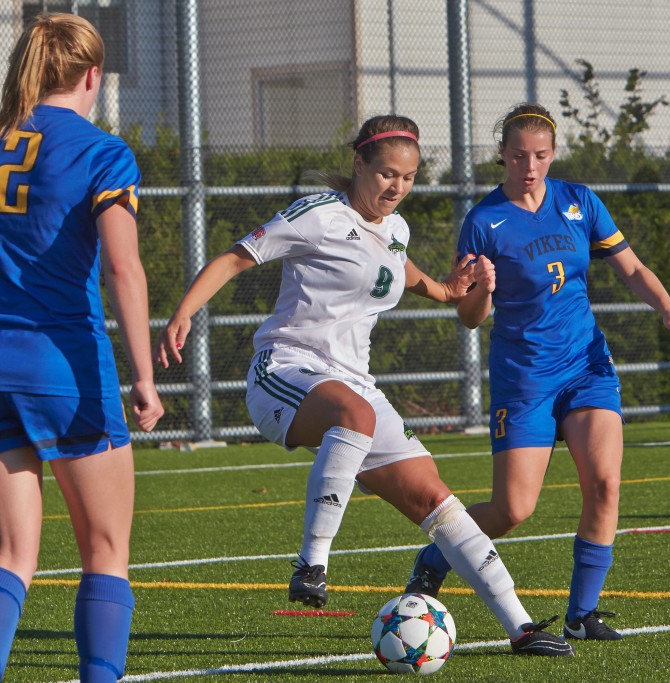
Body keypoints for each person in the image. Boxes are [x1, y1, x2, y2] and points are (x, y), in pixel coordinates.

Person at [154, 114, 574, 656]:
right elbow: (237, 258)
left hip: (355, 387)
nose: (396, 187)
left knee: (437, 499)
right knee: (355, 415)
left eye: (408, 177)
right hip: (285, 370)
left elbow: (422, 283)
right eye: (385, 174)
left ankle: (520, 627)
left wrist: (463, 287)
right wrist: (183, 312)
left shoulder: (395, 231)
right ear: (359, 165)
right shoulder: (319, 214)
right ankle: (312, 563)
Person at [403, 103, 670, 642]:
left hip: (586, 366)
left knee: (606, 485)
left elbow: (631, 267)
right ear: (502, 154)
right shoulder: (484, 221)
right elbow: (468, 316)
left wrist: (669, 309)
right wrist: (484, 291)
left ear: (553, 155)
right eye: (519, 155)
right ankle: (436, 556)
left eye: (540, 155)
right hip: (524, 377)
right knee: (513, 508)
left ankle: (582, 615)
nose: (529, 165)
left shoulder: (579, 201)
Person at [0, 13, 164, 683]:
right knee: (105, 550)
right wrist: (146, 377)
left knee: (11, 549)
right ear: (93, 74)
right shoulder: (101, 151)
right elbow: (124, 269)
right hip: (64, 366)